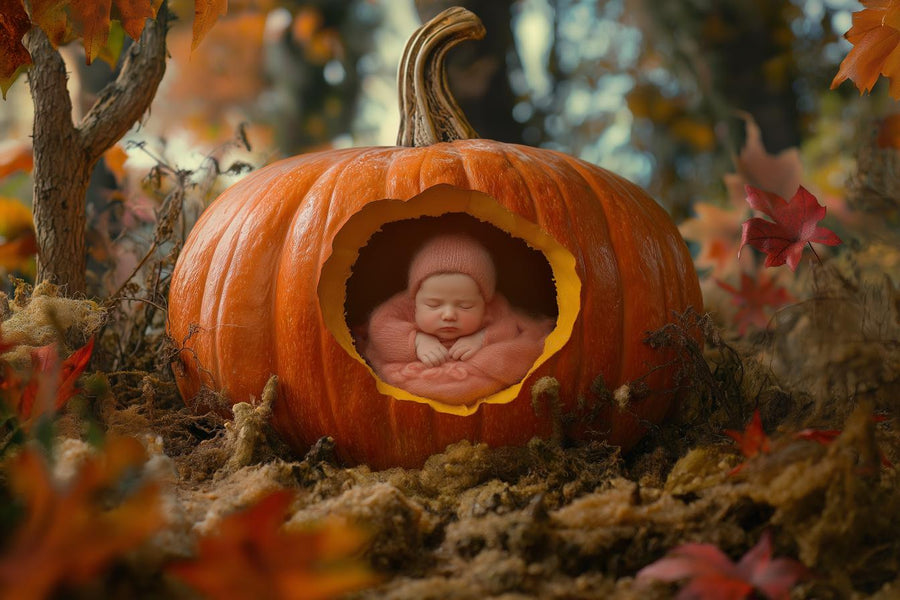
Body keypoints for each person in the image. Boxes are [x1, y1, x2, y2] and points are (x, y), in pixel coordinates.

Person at [361, 233, 554, 405]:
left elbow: (507, 325)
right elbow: (380, 327)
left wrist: (483, 338)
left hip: (472, 372)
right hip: (417, 369)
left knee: (511, 352)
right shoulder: (402, 306)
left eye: (465, 306)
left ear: (485, 303)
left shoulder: (495, 308)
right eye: (434, 305)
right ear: (415, 301)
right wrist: (416, 341)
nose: (449, 315)